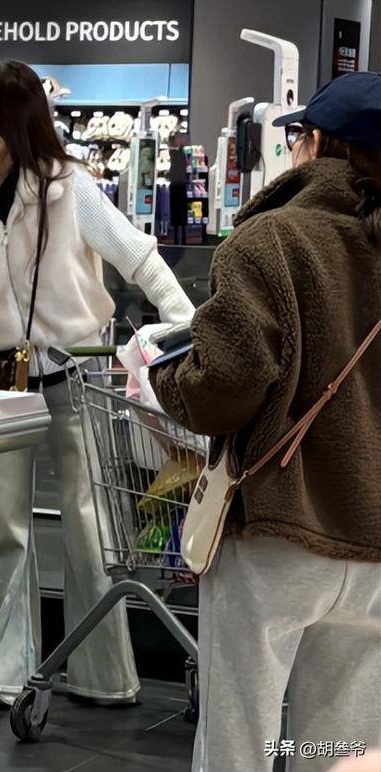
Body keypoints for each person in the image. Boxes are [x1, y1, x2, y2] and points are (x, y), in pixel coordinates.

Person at [0, 60, 195, 708]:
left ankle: (104, 675)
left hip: (75, 375)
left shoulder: (67, 187)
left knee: (87, 525)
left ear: (17, 122)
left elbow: (136, 253)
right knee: (3, 529)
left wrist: (185, 323)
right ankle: (1, 674)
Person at [150, 71, 381, 771]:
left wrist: (164, 375)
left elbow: (225, 382)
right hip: (372, 540)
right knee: (340, 747)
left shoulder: (272, 240)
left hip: (279, 530)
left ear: (318, 144)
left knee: (240, 738)